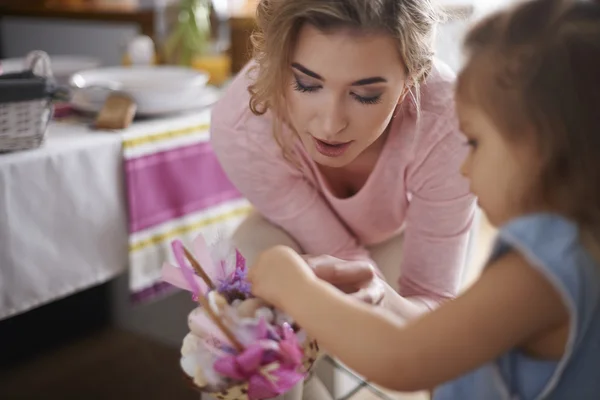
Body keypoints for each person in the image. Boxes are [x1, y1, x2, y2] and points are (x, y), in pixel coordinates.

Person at [248, 0, 600, 398]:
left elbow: (404, 360)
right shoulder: (579, 252)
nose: (463, 168)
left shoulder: (544, 269)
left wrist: (290, 282)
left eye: (475, 141)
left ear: (544, 147)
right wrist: (385, 299)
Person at [211, 0, 476, 318]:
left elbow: (431, 304)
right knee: (248, 314)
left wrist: (376, 310)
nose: (330, 125)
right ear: (278, 64)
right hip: (289, 236)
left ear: (411, 81)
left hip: (401, 234)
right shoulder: (242, 123)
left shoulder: (448, 121)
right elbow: (338, 255)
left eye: (365, 95)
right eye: (306, 84)